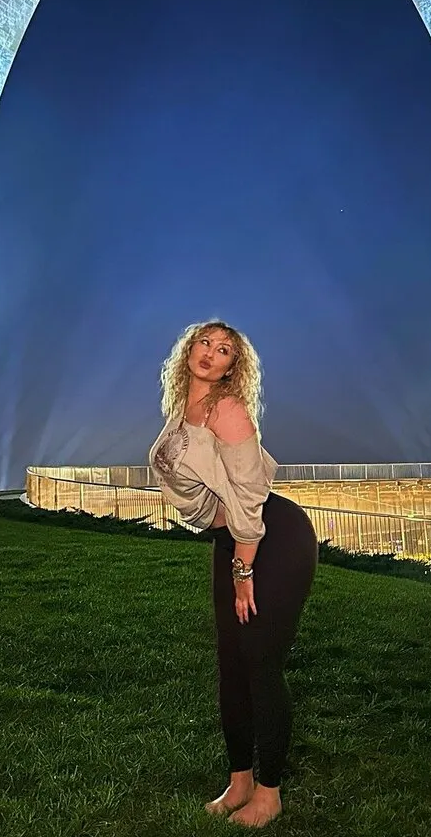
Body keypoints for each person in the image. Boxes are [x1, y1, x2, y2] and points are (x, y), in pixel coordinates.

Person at [148, 320, 318, 828]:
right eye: (204, 342)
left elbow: (249, 496)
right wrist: (232, 553)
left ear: (231, 368)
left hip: (273, 537)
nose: (210, 352)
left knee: (261, 664)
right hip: (232, 541)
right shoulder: (183, 411)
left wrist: (244, 569)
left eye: (224, 350)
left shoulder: (227, 409)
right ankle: (240, 780)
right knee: (232, 666)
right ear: (188, 351)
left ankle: (270, 792)